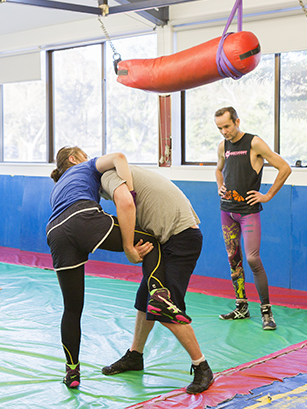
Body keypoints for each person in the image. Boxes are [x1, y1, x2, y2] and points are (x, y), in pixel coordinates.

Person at [100, 165, 214, 394]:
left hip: (181, 239)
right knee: (145, 299)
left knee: (164, 306)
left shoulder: (107, 176)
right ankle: (135, 355)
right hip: (166, 239)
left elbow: (127, 204)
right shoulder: (115, 173)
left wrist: (128, 246)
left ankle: (202, 367)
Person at [46, 147, 153, 389]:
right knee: (150, 241)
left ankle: (72, 372)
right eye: (84, 154)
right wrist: (131, 192)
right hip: (82, 218)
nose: (88, 157)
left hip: (55, 232)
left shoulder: (57, 188)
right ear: (73, 159)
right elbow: (120, 158)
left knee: (72, 309)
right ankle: (158, 296)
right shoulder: (85, 166)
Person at [214, 106, 291, 330]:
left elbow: (284, 168)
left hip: (248, 213)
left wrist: (267, 195)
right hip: (226, 211)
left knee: (252, 259)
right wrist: (220, 186)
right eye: (219, 128)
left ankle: (266, 312)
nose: (224, 132)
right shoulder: (222, 146)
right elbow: (219, 170)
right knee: (233, 258)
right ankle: (241, 307)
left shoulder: (254, 143)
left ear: (237, 121)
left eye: (227, 126)